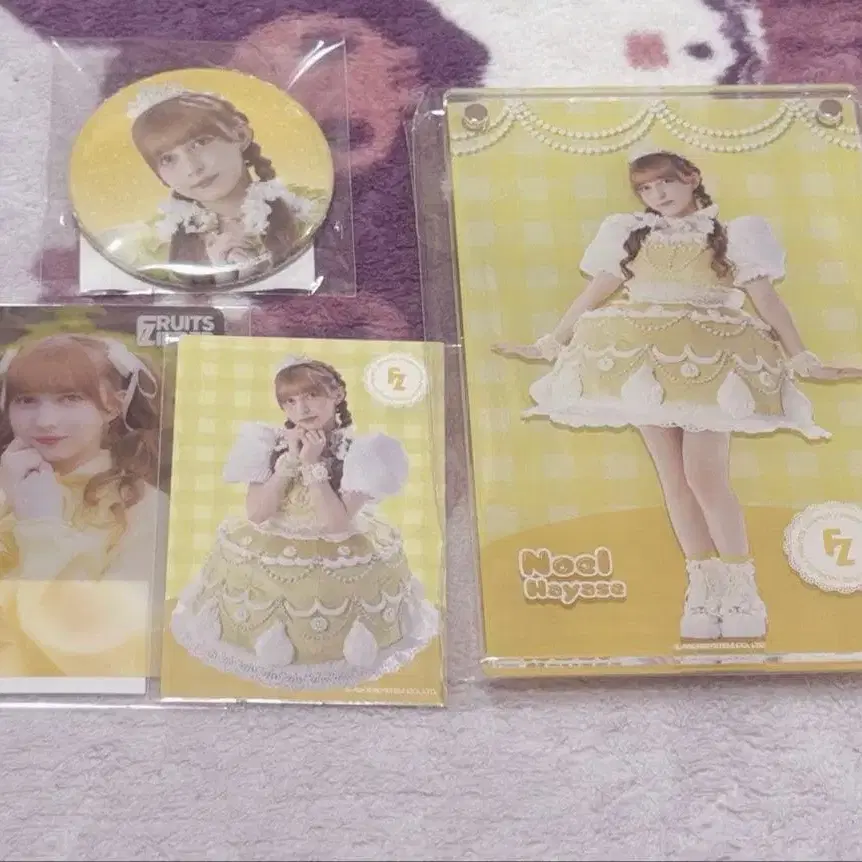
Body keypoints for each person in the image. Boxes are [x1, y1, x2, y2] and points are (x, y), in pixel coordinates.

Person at [494, 146, 862, 642]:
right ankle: (703, 586)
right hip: (645, 357)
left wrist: (802, 357)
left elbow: (767, 300)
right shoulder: (630, 233)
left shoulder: (732, 233)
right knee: (674, 480)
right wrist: (551, 342)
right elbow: (595, 292)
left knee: (705, 476)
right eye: (645, 188)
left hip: (709, 359)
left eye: (665, 181)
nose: (657, 194)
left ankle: (742, 587)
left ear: (691, 177)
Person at [170, 355, 439, 690]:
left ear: (337, 394)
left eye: (312, 395)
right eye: (290, 401)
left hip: (335, 544)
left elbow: (336, 525)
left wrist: (312, 465)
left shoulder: (359, 453)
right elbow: (257, 514)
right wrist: (289, 461)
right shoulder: (270, 444)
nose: (302, 408)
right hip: (274, 536)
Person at [0, 333, 165, 679]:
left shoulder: (144, 508)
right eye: (26, 400)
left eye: (70, 399)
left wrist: (42, 526)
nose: (45, 420)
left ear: (113, 406)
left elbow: (107, 643)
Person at [104, 85, 326, 288]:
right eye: (168, 159)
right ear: (160, 176)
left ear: (241, 135)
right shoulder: (148, 244)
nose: (192, 168)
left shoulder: (309, 209)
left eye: (200, 142)